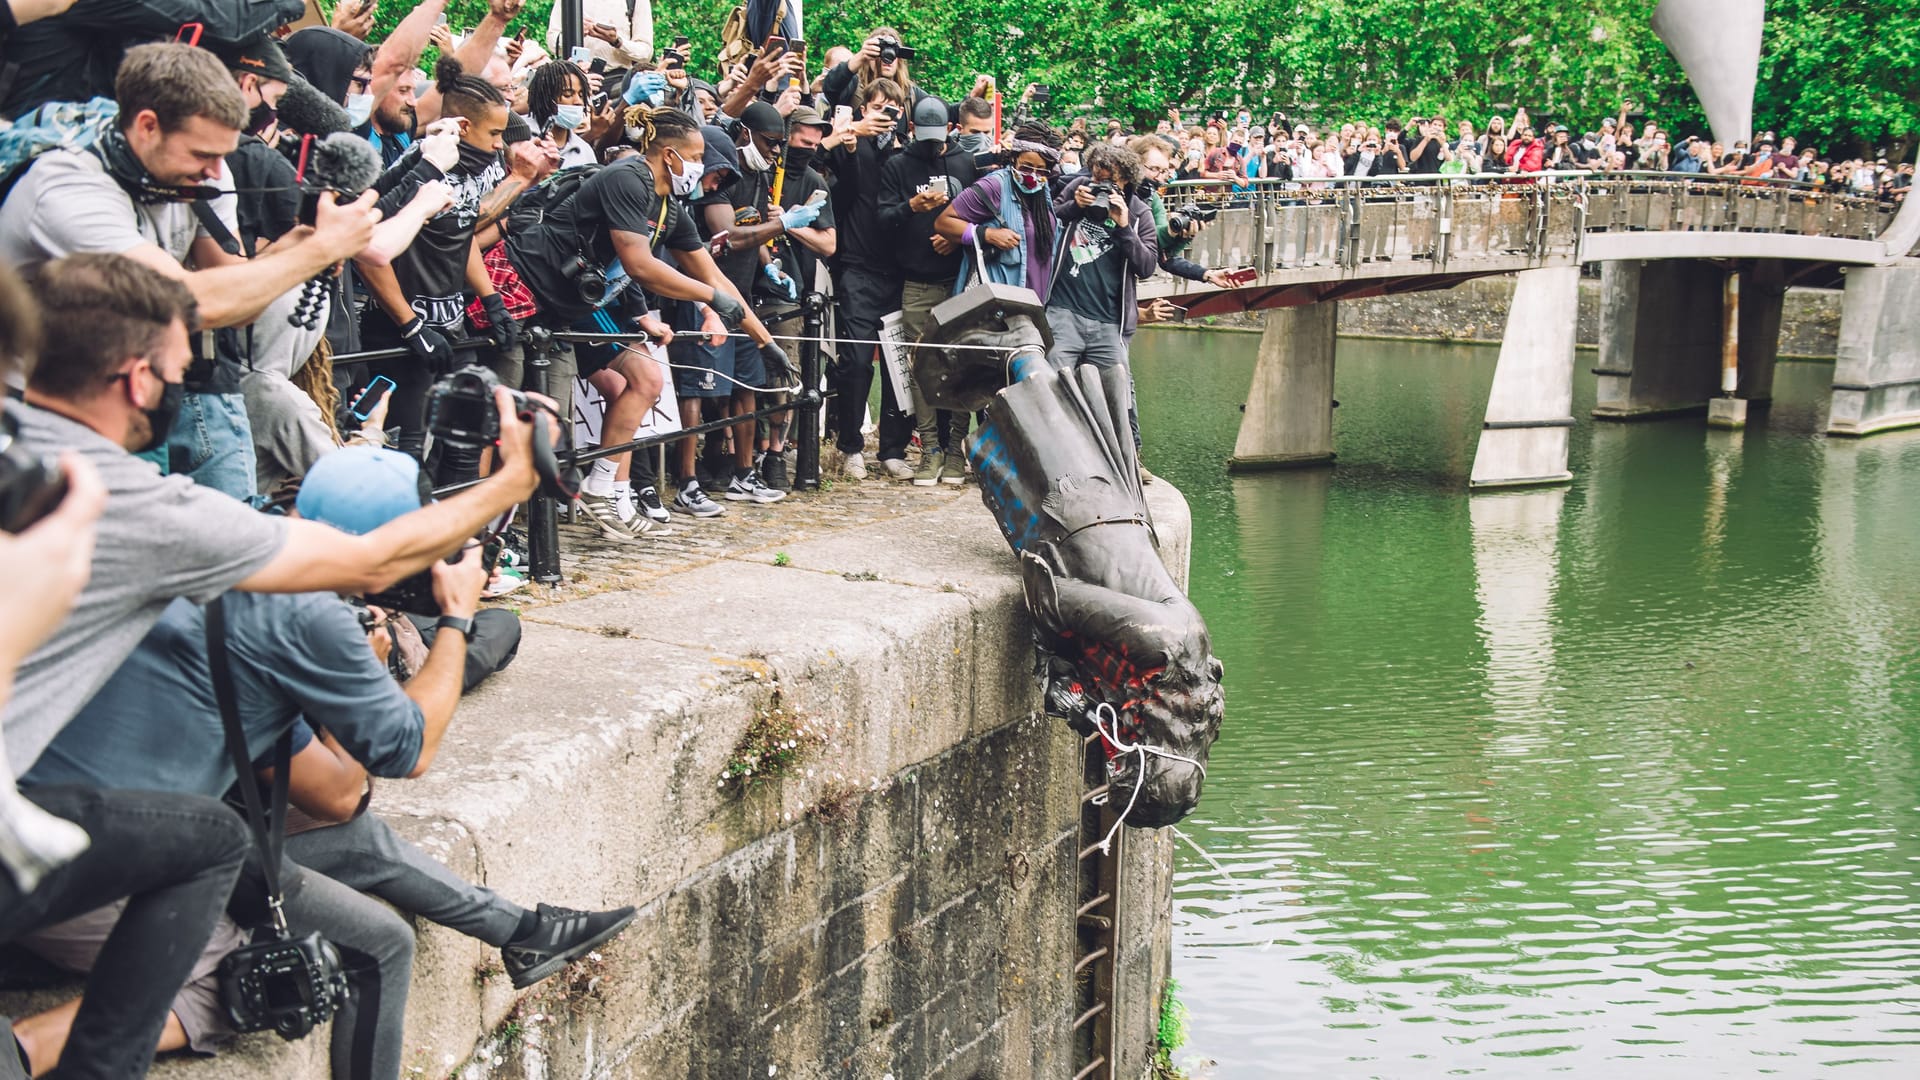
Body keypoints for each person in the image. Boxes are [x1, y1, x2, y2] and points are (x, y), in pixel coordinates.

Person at [16, 446, 631, 1079]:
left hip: (94, 823)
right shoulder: (307, 616)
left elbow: (308, 779)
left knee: (377, 910)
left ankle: (522, 930)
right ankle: (21, 1049)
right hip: (95, 866)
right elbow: (363, 781)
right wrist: (451, 618)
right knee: (248, 983)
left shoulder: (226, 553)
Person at [0, 260, 251, 1080]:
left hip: (43, 819)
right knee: (220, 853)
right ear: (135, 378)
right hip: (38, 839)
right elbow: (356, 777)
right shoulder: (94, 502)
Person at [0, 42, 384, 500]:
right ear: (147, 126)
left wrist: (297, 245)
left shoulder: (202, 166)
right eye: (203, 154)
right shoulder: (67, 186)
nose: (217, 172)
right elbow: (190, 302)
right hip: (35, 410)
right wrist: (317, 251)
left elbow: (237, 300)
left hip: (135, 398)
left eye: (224, 154)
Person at [879, 95, 979, 486]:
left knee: (961, 364)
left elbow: (983, 217)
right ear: (912, 129)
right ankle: (930, 449)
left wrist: (957, 240)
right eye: (925, 137)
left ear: (950, 130)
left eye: (938, 137)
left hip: (958, 280)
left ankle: (956, 449)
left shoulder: (964, 163)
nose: (932, 144)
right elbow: (882, 221)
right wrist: (912, 207)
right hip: (916, 282)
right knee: (919, 367)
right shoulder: (897, 165)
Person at [818, 77, 910, 480]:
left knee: (897, 364)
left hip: (900, 272)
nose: (886, 117)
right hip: (857, 267)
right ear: (863, 109)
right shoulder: (851, 145)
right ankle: (850, 445)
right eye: (878, 109)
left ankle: (893, 449)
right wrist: (854, 135)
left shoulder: (908, 153)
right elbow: (839, 183)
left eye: (894, 110)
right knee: (855, 361)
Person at [1046, 142, 1158, 445]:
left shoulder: (1139, 213)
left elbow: (1147, 265)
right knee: (1052, 389)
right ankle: (1059, 455)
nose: (1102, 187)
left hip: (1110, 321)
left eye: (1110, 182)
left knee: (1117, 396)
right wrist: (1074, 206)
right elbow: (1045, 220)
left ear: (1125, 181)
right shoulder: (1077, 188)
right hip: (1062, 310)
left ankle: (1127, 457)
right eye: (1098, 179)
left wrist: (1124, 227)